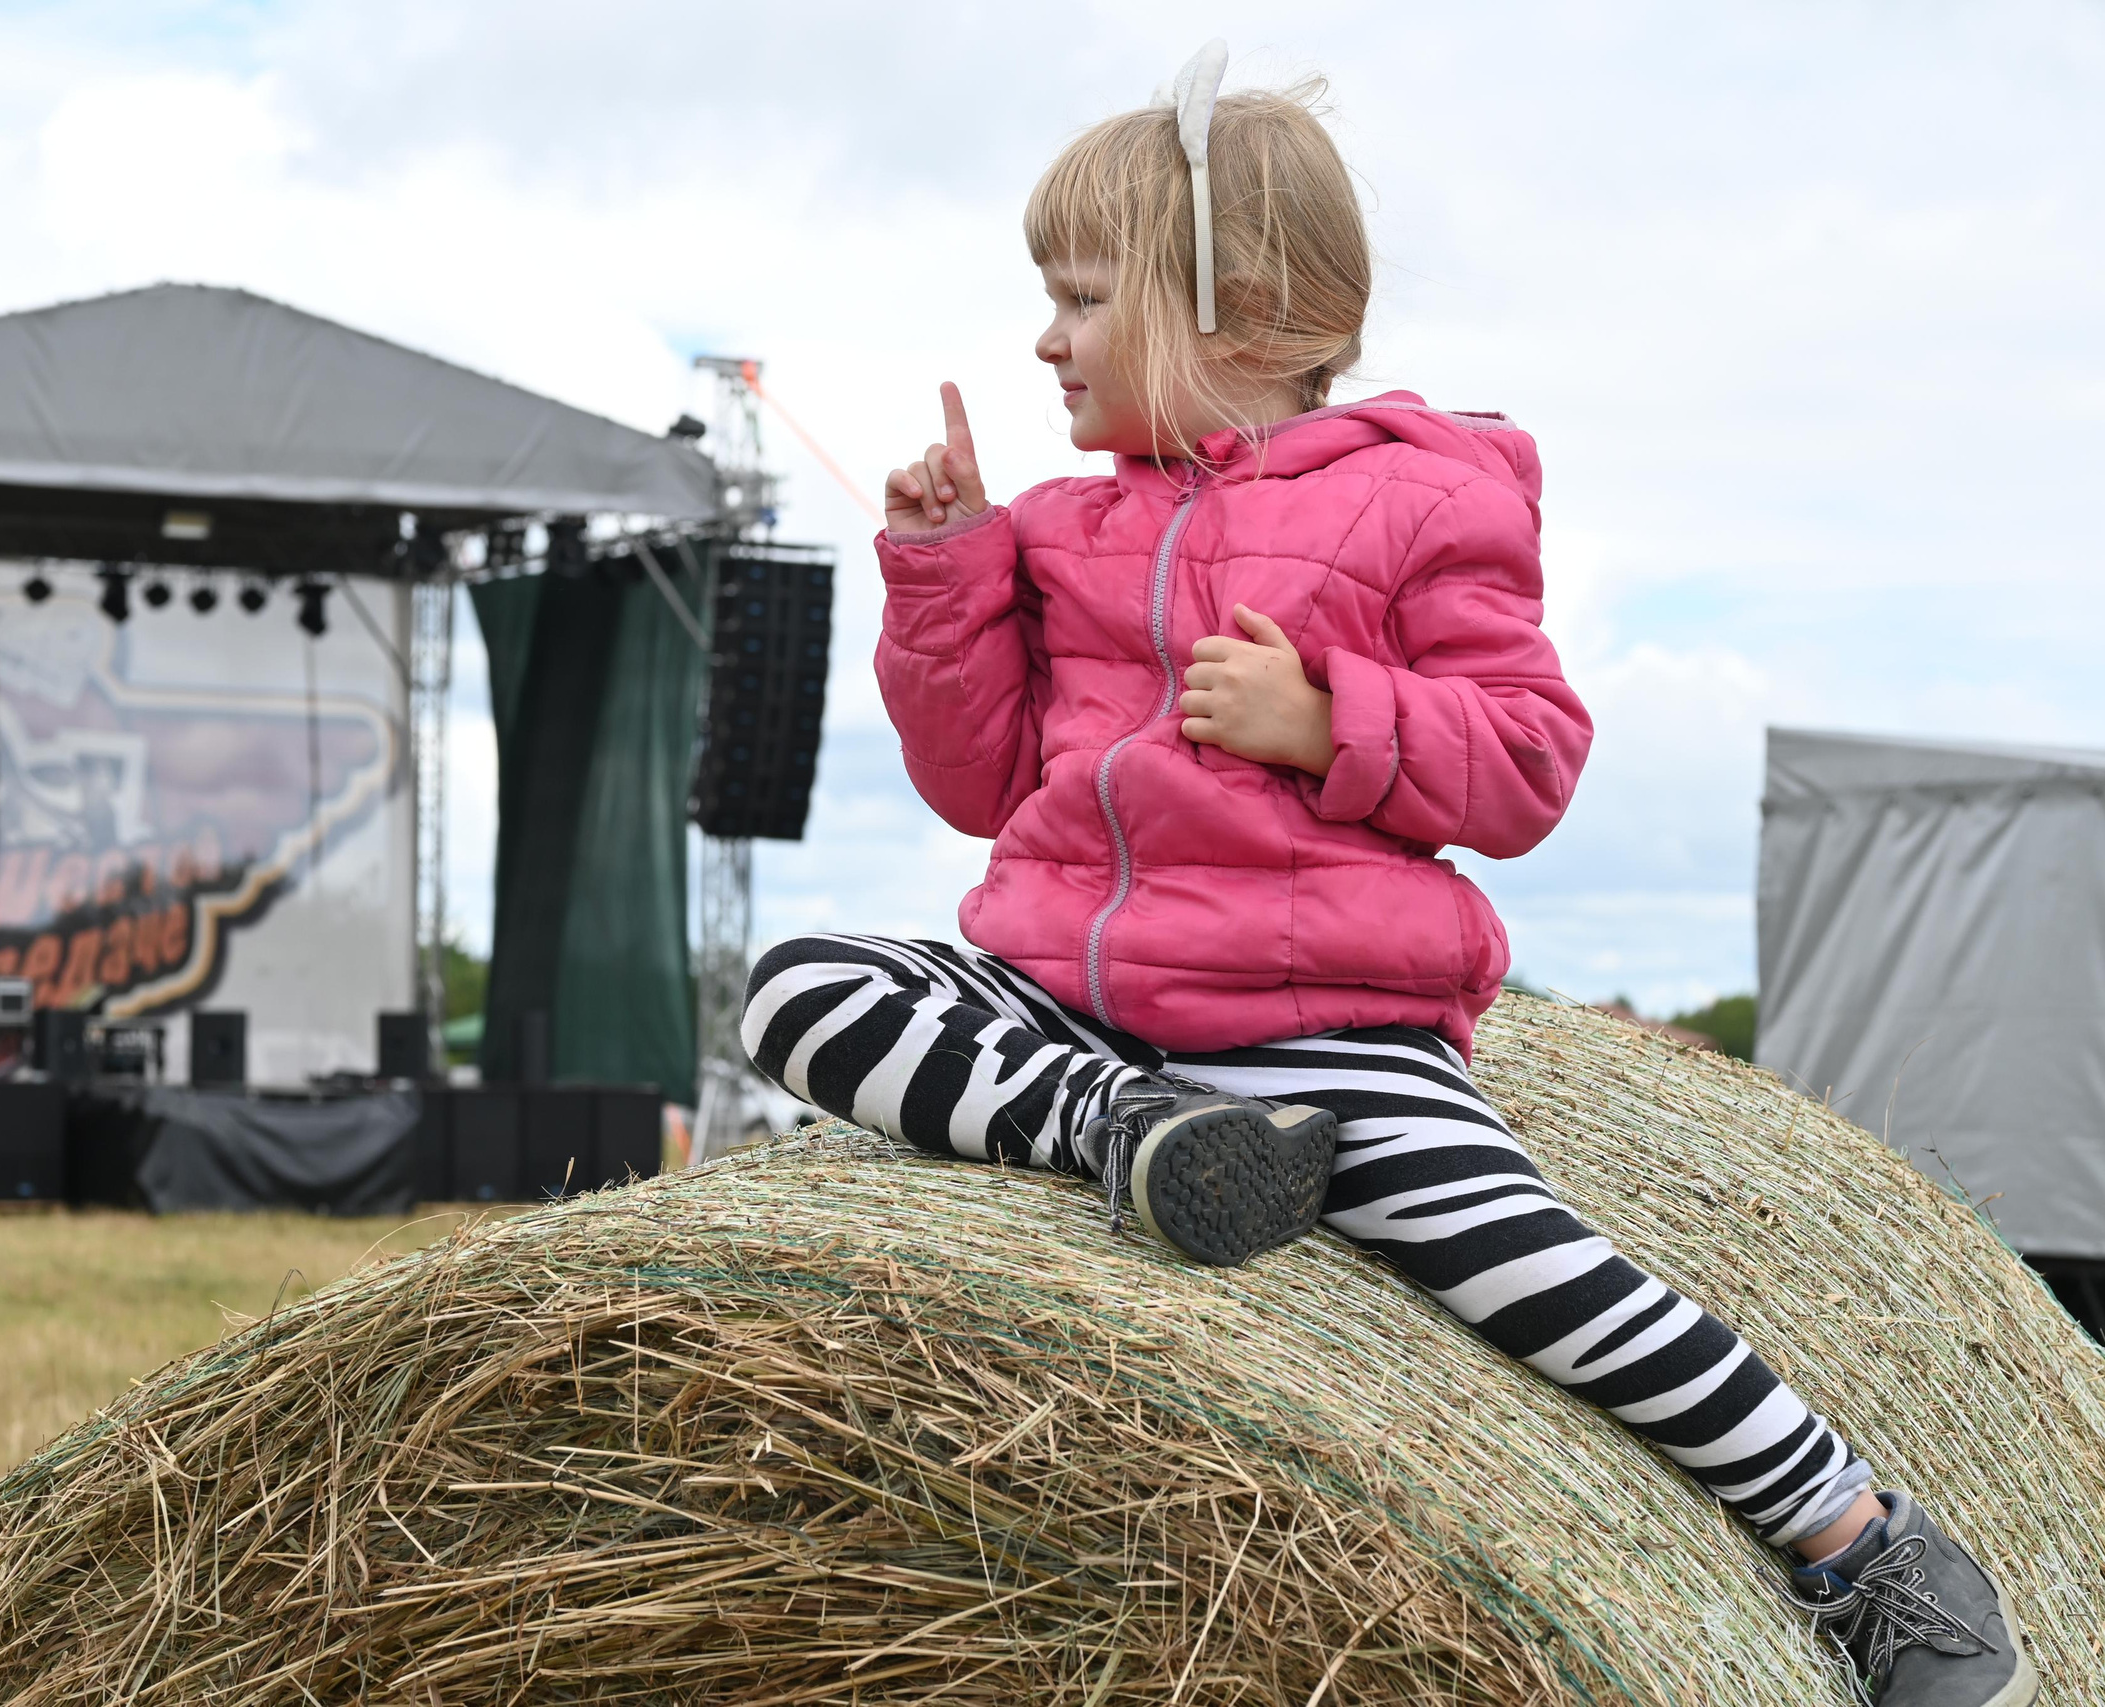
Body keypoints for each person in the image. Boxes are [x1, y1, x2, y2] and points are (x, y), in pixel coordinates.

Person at [742, 48, 2034, 1707]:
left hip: (1316, 1025)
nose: (1044, 341)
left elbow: (1528, 759)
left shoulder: (1426, 503)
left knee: (1530, 1270)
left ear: (1241, 313)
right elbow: (979, 780)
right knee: (806, 984)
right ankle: (1132, 1143)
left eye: (1077, 300)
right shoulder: (1061, 530)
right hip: (1068, 1009)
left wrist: (1322, 718)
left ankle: (1862, 1541)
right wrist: (942, 579)